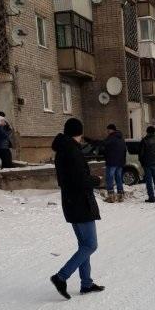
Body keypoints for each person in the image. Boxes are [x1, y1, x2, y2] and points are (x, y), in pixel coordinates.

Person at [50, 118, 104, 299]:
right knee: (90, 245)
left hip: (71, 202)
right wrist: (96, 180)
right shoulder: (72, 151)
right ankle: (61, 277)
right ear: (78, 133)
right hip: (81, 203)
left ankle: (86, 283)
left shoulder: (63, 150)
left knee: (84, 245)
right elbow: (80, 181)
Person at [101, 124, 127, 203]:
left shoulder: (111, 138)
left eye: (108, 130)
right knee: (118, 178)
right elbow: (124, 150)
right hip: (120, 162)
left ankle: (111, 196)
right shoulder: (121, 138)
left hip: (111, 162)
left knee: (109, 178)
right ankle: (120, 195)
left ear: (112, 130)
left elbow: (104, 144)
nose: (107, 131)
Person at [140, 126, 155, 203]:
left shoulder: (144, 140)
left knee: (149, 181)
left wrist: (142, 162)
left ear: (147, 131)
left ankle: (151, 197)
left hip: (147, 163)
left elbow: (141, 153)